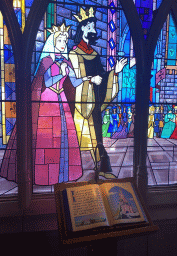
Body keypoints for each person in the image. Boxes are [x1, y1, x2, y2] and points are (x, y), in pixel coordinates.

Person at [0, 23, 89, 185]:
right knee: (46, 140)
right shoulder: (47, 61)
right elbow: (47, 82)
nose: (64, 44)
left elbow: (74, 82)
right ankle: (44, 175)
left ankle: (62, 174)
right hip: (47, 101)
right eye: (61, 40)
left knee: (63, 138)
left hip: (61, 100)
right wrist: (60, 73)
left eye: (65, 40)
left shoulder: (66, 62)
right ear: (53, 42)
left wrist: (88, 78)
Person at [69, 7, 127, 163]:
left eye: (94, 27)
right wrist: (90, 80)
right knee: (83, 138)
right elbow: (76, 79)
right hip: (81, 103)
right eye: (90, 27)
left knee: (97, 137)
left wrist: (115, 71)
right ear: (82, 29)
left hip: (94, 100)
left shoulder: (94, 54)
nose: (93, 30)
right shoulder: (74, 54)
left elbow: (102, 76)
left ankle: (100, 167)